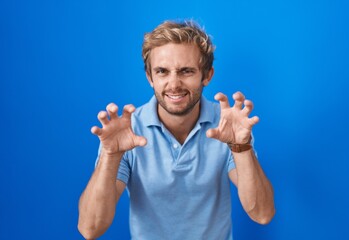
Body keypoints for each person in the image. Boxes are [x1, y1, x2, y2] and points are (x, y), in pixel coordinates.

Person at [78, 20, 275, 240]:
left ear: (207, 75)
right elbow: (90, 229)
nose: (174, 84)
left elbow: (262, 214)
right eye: (162, 71)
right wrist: (110, 155)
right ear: (150, 77)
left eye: (186, 71)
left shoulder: (228, 126)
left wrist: (241, 147)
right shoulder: (127, 131)